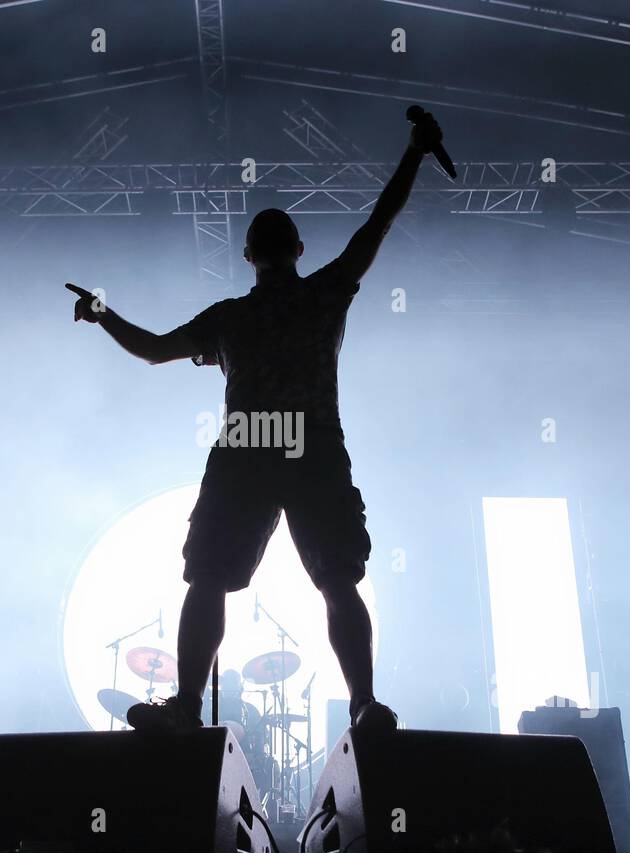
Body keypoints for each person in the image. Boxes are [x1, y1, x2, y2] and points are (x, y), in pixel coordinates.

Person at [67, 112, 445, 734]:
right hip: (313, 443)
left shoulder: (230, 317)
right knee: (338, 580)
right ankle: (364, 704)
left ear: (247, 257)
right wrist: (415, 152)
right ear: (298, 250)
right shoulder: (324, 291)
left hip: (247, 448)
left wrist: (102, 312)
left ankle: (187, 707)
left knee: (209, 578)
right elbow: (378, 222)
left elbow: (154, 348)